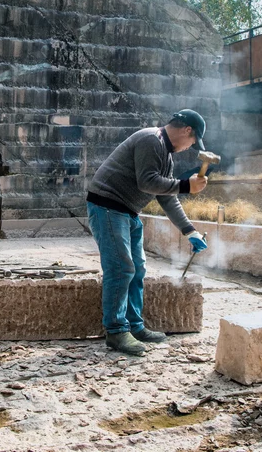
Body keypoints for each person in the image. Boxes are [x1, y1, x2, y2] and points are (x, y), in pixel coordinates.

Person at [86, 109, 210, 356]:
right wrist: (186, 185)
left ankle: (134, 326)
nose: (190, 147)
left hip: (128, 211)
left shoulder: (166, 154)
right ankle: (116, 331)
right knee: (121, 268)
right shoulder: (150, 139)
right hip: (108, 206)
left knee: (137, 269)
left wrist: (189, 230)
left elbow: (166, 196)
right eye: (193, 142)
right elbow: (147, 182)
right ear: (187, 131)